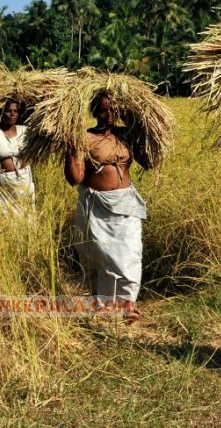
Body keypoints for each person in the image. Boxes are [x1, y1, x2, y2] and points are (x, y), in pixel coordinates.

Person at [65, 92, 151, 323]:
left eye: (112, 110)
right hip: (97, 206)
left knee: (131, 252)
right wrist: (72, 150)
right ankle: (102, 303)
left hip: (126, 202)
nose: (108, 114)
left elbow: (148, 162)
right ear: (94, 112)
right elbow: (75, 178)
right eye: (103, 110)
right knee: (102, 254)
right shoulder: (84, 137)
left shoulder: (126, 134)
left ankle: (128, 304)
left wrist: (143, 126)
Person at [0, 81, 35, 216]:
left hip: (23, 181)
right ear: (1, 113)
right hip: (1, 184)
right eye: (8, 111)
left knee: (25, 218)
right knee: (2, 220)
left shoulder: (25, 131)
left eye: (15, 111)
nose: (12, 114)